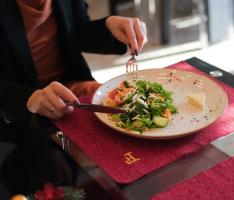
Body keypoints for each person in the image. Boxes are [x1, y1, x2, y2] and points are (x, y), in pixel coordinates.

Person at [0, 0, 147, 124]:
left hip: (70, 90)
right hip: (15, 108)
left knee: (129, 110)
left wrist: (109, 25)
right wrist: (29, 98)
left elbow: (76, 30)